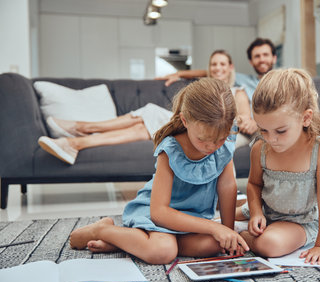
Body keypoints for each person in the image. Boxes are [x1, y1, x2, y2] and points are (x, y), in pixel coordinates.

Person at [69, 78, 249, 264]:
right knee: (163, 252)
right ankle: (102, 230)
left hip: (192, 221)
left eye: (220, 139)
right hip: (159, 214)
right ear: (185, 121)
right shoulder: (171, 150)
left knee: (214, 246)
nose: (212, 146)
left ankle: (132, 242)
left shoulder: (225, 141)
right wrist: (213, 227)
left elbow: (227, 186)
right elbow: (159, 213)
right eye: (203, 139)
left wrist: (227, 232)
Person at [38, 50, 256, 164]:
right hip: (194, 124)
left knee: (151, 114)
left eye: (222, 64)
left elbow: (244, 118)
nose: (217, 68)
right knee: (146, 124)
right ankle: (77, 139)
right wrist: (180, 73)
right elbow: (202, 77)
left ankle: (81, 132)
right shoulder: (205, 88)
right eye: (213, 64)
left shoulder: (237, 91)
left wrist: (246, 120)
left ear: (230, 67)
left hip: (219, 130)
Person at [238, 69, 320, 265]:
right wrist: (257, 212)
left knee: (270, 245)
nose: (270, 139)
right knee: (211, 222)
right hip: (265, 213)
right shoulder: (260, 148)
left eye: (280, 131)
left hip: (299, 222)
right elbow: (254, 185)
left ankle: (238, 234)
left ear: (306, 118)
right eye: (263, 129)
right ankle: (237, 217)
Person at [157, 38, 277, 100]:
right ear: (251, 61)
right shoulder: (244, 80)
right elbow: (213, 72)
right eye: (257, 56)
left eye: (265, 55)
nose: (261, 59)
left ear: (274, 58)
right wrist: (179, 74)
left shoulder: (283, 82)